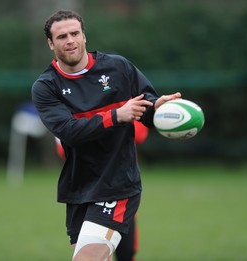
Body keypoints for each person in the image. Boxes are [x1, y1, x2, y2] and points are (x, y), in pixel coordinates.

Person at [31, 10, 181, 261]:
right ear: (50, 43)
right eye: (62, 36)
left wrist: (159, 109)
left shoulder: (118, 67)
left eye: (75, 33)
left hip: (116, 185)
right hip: (78, 188)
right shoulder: (46, 87)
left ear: (84, 36)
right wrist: (116, 115)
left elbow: (146, 108)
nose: (70, 40)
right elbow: (69, 131)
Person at [54, 120, 148, 260]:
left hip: (117, 185)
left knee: (125, 252)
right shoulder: (65, 110)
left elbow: (140, 134)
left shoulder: (119, 101)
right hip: (83, 187)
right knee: (95, 252)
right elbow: (63, 150)